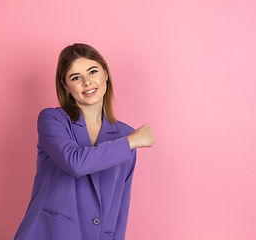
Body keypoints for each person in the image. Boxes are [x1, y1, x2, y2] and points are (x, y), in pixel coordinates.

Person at [14, 43, 155, 240]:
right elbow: (75, 163)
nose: (87, 82)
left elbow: (121, 203)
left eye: (93, 71)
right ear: (65, 86)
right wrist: (130, 142)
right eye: (76, 77)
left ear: (105, 73)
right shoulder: (53, 120)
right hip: (51, 233)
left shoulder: (124, 134)